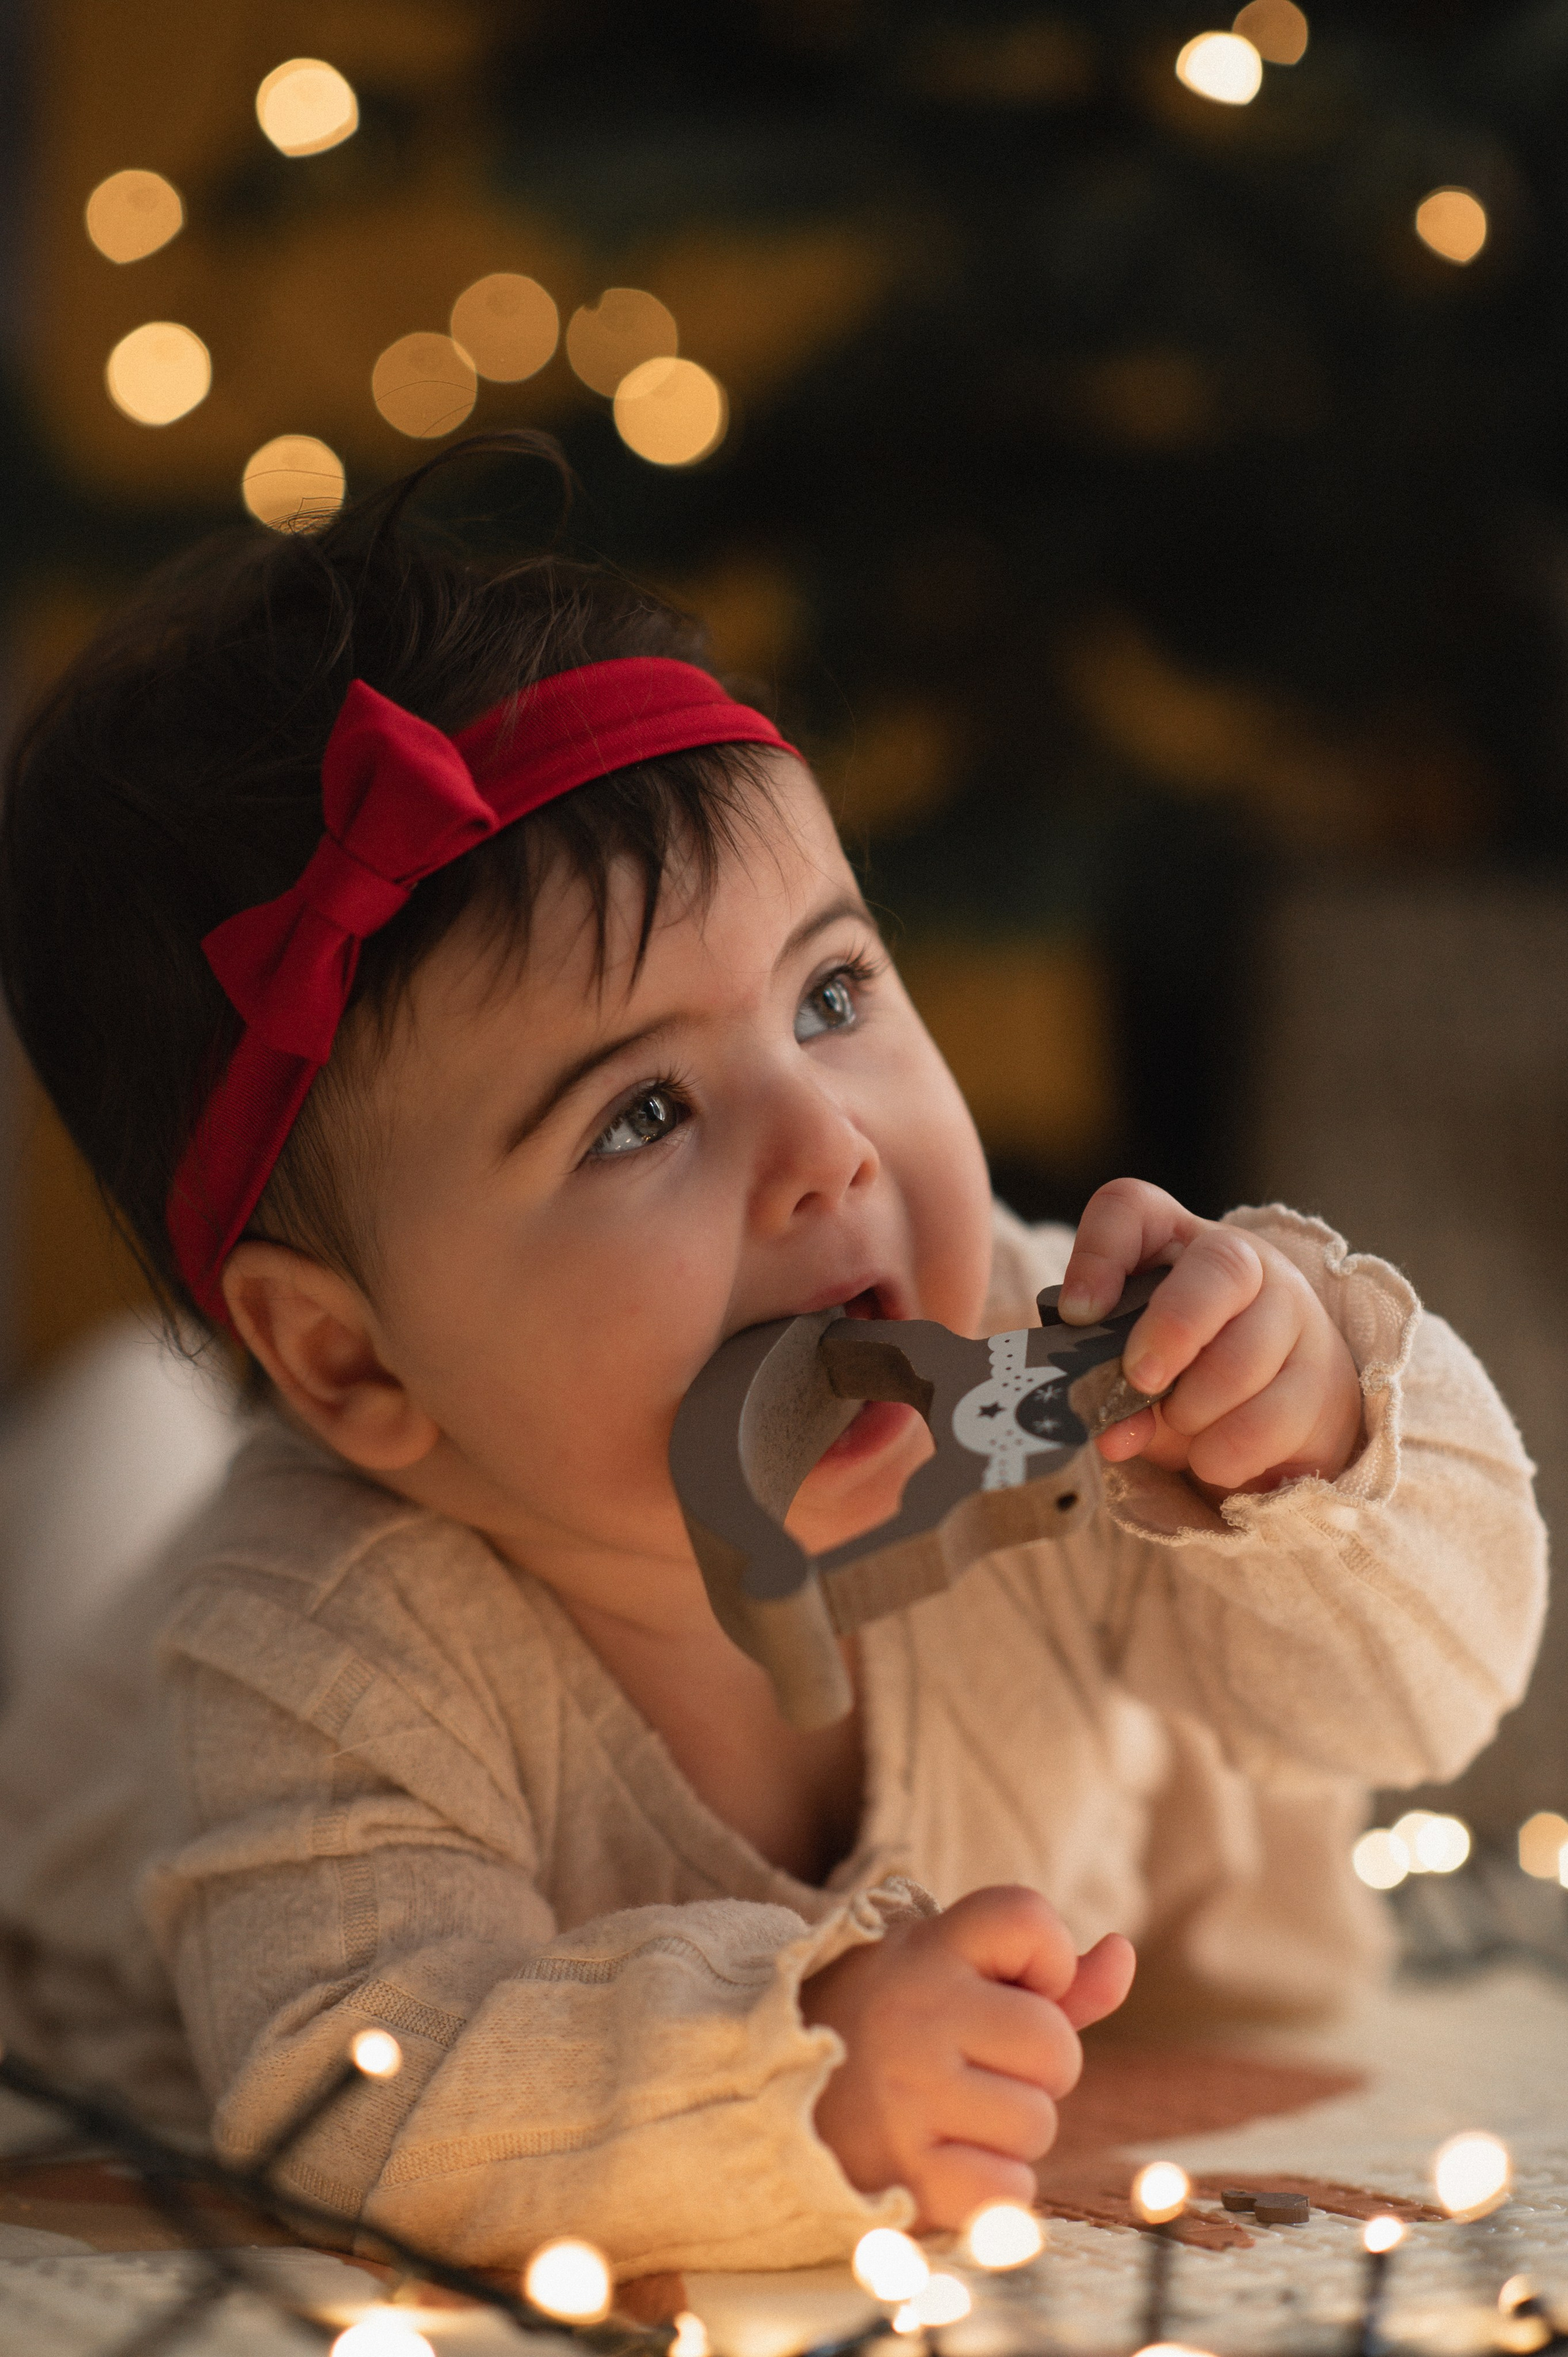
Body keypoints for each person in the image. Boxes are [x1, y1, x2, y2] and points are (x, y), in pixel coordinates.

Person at [0, 439, 1546, 2277]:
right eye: (642, 1113)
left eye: (831, 995)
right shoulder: (316, 1646)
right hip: (118, 1776)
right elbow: (358, 2085)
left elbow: (1427, 1704)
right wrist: (797, 2078)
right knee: (108, 1515)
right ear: (348, 1365)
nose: (826, 1145)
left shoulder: (1055, 1363)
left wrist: (1316, 1441)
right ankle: (109, 1448)